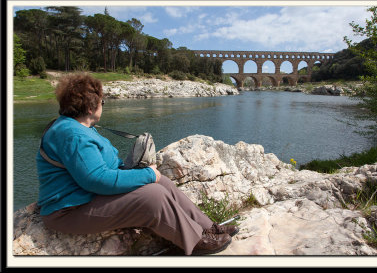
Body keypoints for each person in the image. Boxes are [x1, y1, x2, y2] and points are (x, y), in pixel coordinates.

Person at [36, 73, 238, 256]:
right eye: (102, 102)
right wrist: (148, 175)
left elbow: (106, 168)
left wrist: (138, 172)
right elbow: (96, 180)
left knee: (163, 184)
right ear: (91, 107)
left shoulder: (80, 128)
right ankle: (194, 242)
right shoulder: (72, 134)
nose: (102, 106)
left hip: (87, 198)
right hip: (67, 211)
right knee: (153, 197)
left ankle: (208, 228)